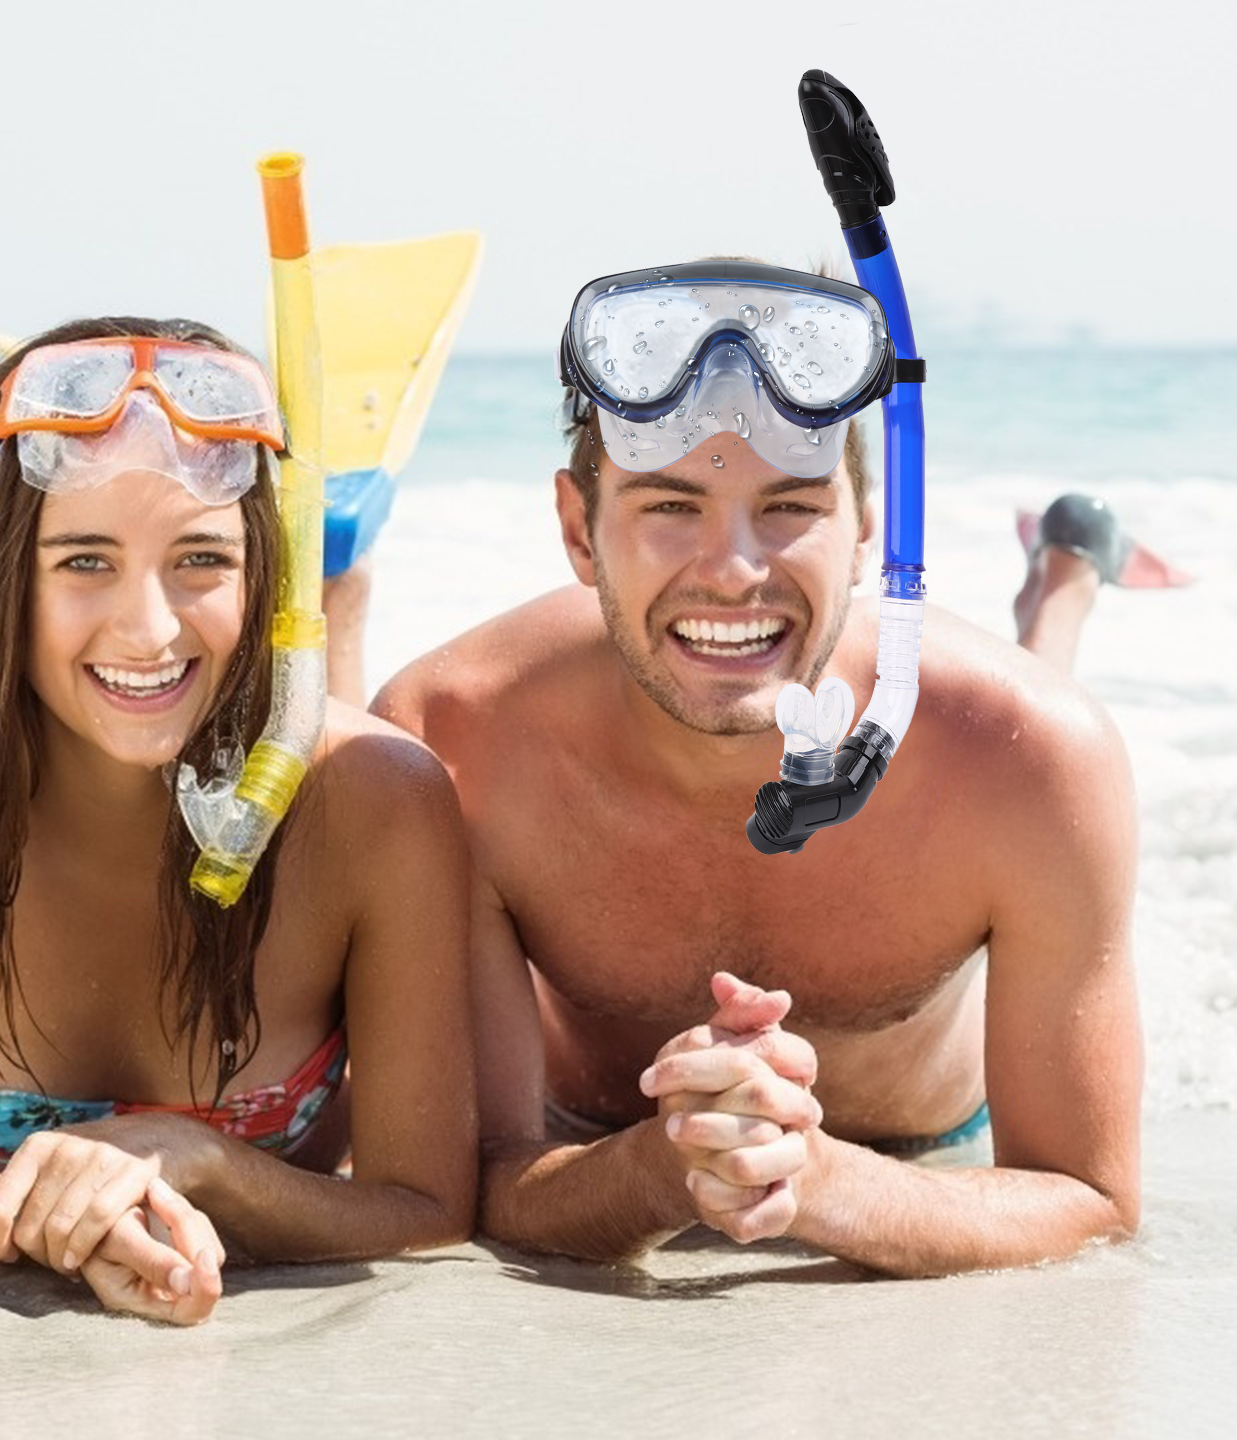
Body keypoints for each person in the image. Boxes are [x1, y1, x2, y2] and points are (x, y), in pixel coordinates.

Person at [0, 317, 476, 1325]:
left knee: (313, 744)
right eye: (85, 561)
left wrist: (194, 1157)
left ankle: (334, 587)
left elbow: (430, 1213)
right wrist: (44, 1231)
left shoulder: (385, 803)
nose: (145, 628)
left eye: (201, 558)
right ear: (11, 578)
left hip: (296, 772)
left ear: (258, 571)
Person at [374, 374, 1144, 1278]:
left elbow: (1090, 1197)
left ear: (864, 531)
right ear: (580, 530)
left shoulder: (1039, 755)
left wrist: (822, 1182)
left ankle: (1061, 587)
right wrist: (657, 1168)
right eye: (670, 505)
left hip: (927, 1139)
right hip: (584, 1128)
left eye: (790, 506)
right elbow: (470, 1180)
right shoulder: (449, 743)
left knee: (1017, 715)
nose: (733, 572)